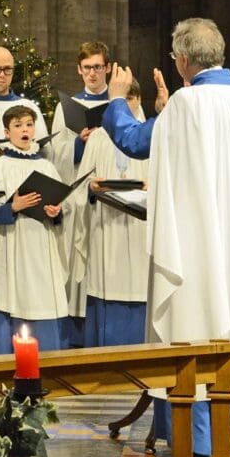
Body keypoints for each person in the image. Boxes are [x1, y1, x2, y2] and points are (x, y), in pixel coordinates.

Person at [102, 17, 230, 457]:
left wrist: (116, 102)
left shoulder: (188, 104)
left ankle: (207, 439)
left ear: (183, 60)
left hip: (203, 241)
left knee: (203, 321)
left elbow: (134, 142)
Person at [0, 105, 68, 354]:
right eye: (18, 125)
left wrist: (56, 212)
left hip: (41, 244)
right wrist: (13, 206)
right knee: (12, 296)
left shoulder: (47, 166)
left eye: (29, 124)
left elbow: (61, 207)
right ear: (6, 132)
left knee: (43, 296)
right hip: (12, 243)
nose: (24, 130)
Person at [50, 40, 115, 347]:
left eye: (98, 67)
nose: (92, 73)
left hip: (107, 196)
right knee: (74, 259)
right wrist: (79, 144)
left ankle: (101, 326)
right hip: (76, 195)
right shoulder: (67, 108)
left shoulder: (123, 104)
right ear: (79, 70)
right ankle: (74, 335)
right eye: (87, 68)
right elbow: (53, 153)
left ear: (108, 68)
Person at [78, 82, 149, 348]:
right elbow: (80, 183)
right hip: (106, 227)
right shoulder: (98, 137)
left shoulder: (151, 133)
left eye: (131, 97)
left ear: (139, 99)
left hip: (141, 227)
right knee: (107, 284)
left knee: (141, 286)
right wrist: (92, 188)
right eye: (122, 98)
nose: (127, 104)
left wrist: (150, 185)